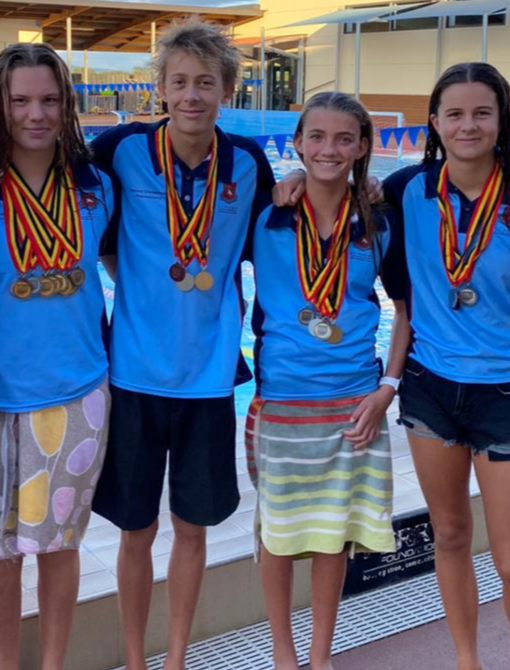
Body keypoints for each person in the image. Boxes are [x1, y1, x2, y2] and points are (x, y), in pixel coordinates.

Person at [274, 63, 510, 670]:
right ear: (433, 122)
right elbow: (351, 204)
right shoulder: (406, 191)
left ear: (501, 119)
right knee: (451, 535)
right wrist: (299, 176)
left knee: (509, 558)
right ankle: (466, 661)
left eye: (481, 112)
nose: (467, 125)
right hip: (431, 389)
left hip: (504, 392)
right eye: (454, 114)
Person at [89, 17, 275, 670]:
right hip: (133, 375)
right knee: (136, 531)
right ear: (161, 89)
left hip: (208, 379)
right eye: (179, 82)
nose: (192, 95)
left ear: (227, 89)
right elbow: (74, 212)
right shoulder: (119, 150)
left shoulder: (247, 165)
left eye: (206, 82)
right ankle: (136, 659)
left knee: (191, 529)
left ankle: (175, 659)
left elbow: (282, 240)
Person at [0, 43, 114, 670]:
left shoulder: (97, 186)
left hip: (78, 395)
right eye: (20, 100)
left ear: (66, 104)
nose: (36, 113)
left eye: (49, 99)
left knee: (59, 545)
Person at [248, 91, 409, 670]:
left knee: (332, 537)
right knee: (279, 535)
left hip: (353, 403)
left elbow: (405, 310)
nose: (329, 149)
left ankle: (320, 656)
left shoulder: (379, 221)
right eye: (316, 137)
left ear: (364, 146)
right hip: (283, 398)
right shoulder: (264, 215)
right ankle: (283, 654)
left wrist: (386, 387)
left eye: (344, 138)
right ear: (297, 142)